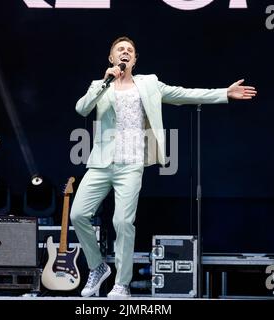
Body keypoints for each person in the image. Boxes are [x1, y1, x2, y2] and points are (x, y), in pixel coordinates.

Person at [70, 36, 257, 298]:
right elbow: (82, 109)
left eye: (130, 50)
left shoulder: (149, 84)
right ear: (111, 59)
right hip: (102, 161)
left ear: (135, 59)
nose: (125, 53)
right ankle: (97, 266)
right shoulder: (100, 85)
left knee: (122, 222)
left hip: (131, 164)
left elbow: (184, 94)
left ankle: (122, 284)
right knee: (77, 214)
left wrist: (223, 93)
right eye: (120, 50)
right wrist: (104, 82)